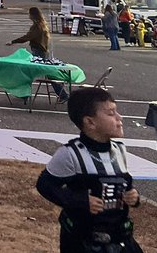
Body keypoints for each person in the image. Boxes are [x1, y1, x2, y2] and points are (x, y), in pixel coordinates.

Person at [36, 87, 141, 252]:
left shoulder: (119, 150)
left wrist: (133, 196)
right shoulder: (70, 154)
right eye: (111, 113)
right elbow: (45, 185)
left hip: (120, 238)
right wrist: (79, 201)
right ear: (90, 122)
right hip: (82, 240)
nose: (120, 118)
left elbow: (123, 183)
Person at [11, 7, 69, 104]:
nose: (28, 15)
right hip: (42, 51)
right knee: (46, 74)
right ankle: (62, 94)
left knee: (30, 72)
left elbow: (28, 36)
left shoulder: (37, 27)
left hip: (38, 52)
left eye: (29, 14)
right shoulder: (42, 25)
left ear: (32, 15)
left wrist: (14, 41)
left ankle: (24, 94)